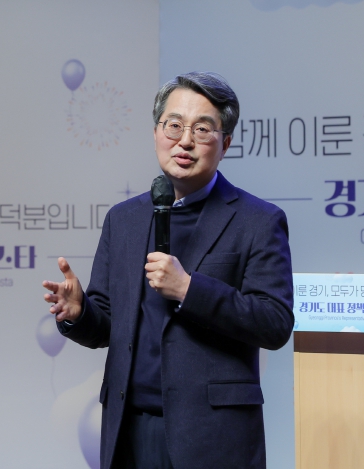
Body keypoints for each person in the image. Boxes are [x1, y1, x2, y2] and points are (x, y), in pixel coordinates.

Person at [42, 72, 294, 469]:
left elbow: (274, 322)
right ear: (156, 132)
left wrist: (189, 289)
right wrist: (79, 313)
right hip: (129, 429)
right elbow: (107, 327)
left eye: (202, 129)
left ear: (226, 144)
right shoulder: (124, 219)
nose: (185, 141)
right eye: (173, 125)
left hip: (213, 436)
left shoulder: (258, 220)